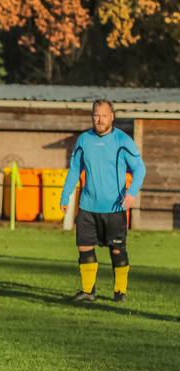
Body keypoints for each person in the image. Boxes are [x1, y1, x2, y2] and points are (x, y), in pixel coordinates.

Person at [60, 99, 145, 303]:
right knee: (84, 247)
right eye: (96, 115)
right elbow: (74, 169)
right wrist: (65, 194)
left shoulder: (122, 140)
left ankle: (119, 292)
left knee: (117, 250)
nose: (99, 119)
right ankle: (88, 291)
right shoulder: (83, 140)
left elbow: (140, 168)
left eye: (104, 116)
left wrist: (132, 192)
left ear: (112, 117)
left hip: (115, 208)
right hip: (87, 207)